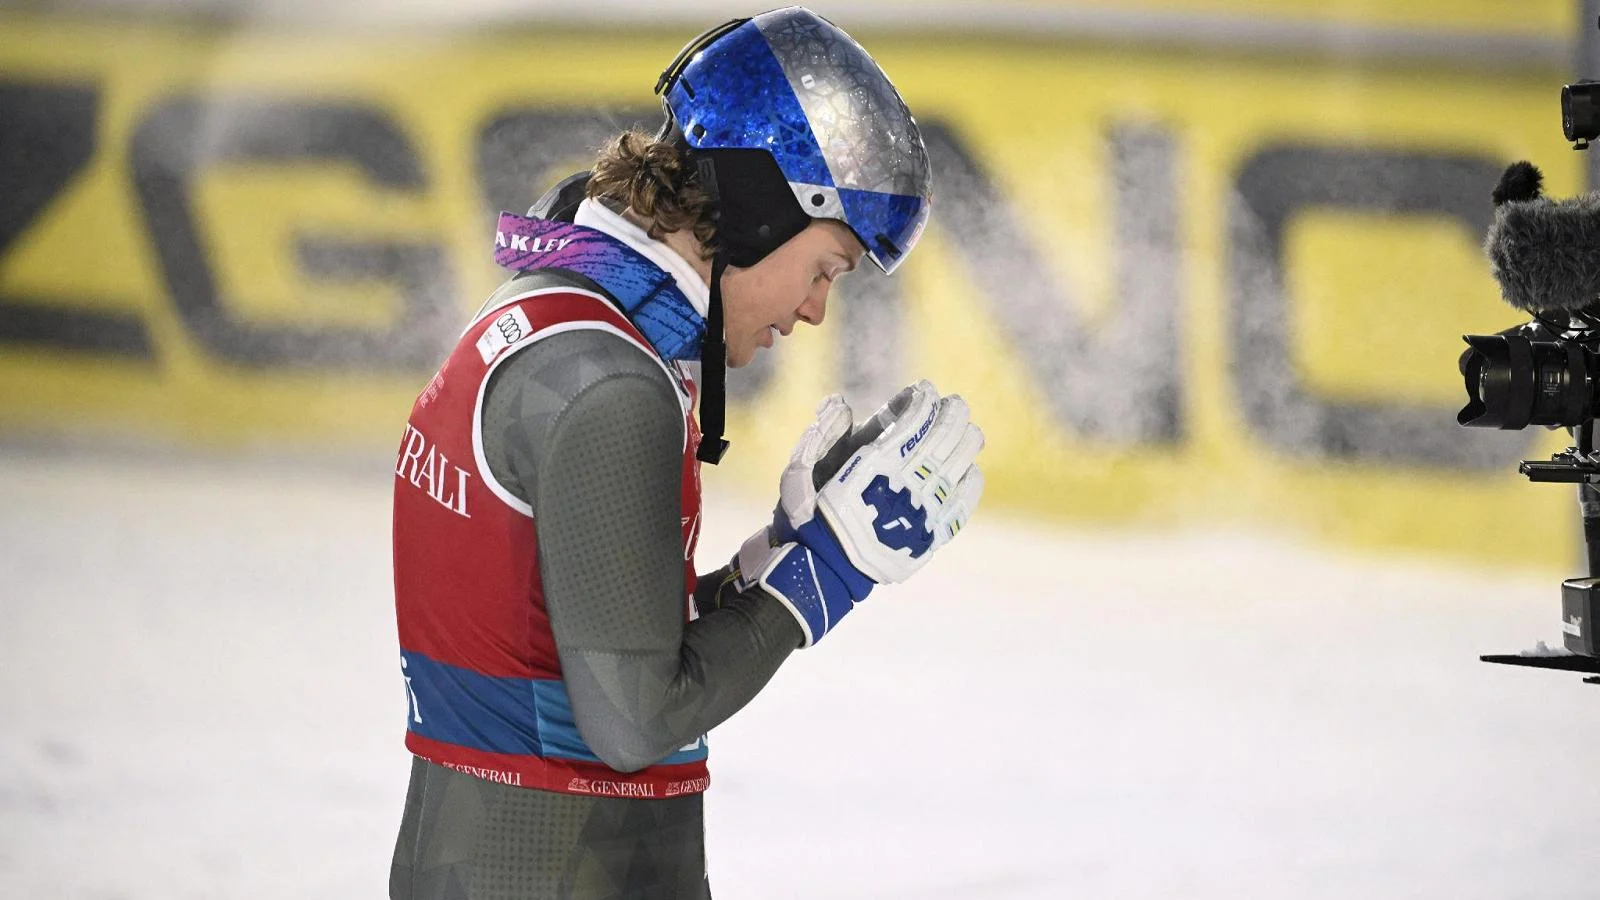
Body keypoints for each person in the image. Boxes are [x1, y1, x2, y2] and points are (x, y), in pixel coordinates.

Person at [387, 7, 985, 898]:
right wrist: (825, 576)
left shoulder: (564, 324)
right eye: (827, 265)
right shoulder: (610, 385)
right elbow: (634, 721)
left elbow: (580, 649)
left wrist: (770, 560)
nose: (817, 308)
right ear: (759, 213)